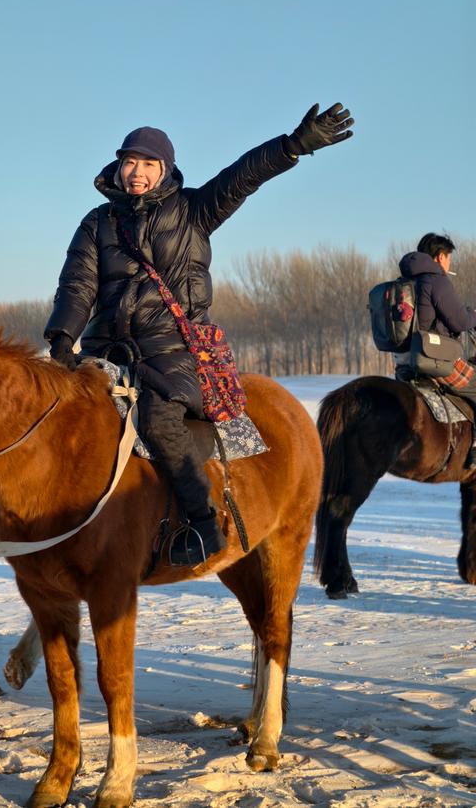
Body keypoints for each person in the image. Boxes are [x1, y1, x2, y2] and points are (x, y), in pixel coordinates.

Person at [44, 104, 354, 565]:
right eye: (130, 162)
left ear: (165, 169)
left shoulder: (192, 210)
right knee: (53, 413)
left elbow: (242, 176)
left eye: (149, 164)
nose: (137, 172)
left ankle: (202, 522)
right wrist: (62, 339)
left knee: (157, 420)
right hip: (105, 349)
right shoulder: (97, 223)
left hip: (172, 351)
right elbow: (78, 284)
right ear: (117, 165)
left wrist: (294, 145)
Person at [396, 232, 476, 467]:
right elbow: (460, 323)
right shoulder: (437, 280)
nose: (449, 262)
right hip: (436, 360)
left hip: (406, 363)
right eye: (449, 257)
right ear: (440, 256)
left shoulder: (406, 282)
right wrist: (473, 316)